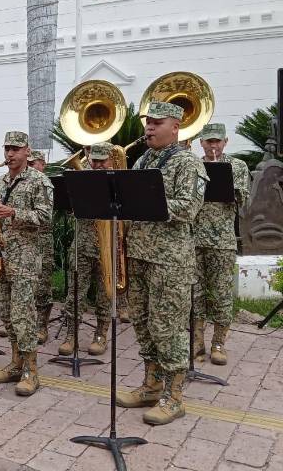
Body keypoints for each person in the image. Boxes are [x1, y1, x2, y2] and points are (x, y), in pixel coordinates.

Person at [115, 102, 208, 425]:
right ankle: (152, 385)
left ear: (176, 127)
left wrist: (148, 201)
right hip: (139, 255)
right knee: (142, 322)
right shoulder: (143, 160)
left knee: (167, 328)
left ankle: (175, 397)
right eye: (148, 123)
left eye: (157, 123)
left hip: (170, 261)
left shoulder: (188, 162)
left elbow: (189, 207)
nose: (149, 128)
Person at [0, 132, 53, 396]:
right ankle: (15, 362)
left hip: (25, 258)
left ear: (27, 151)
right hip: (1, 255)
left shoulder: (40, 181)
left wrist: (13, 212)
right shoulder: (0, 181)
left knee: (23, 315)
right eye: (7, 149)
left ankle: (31, 371)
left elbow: (46, 217)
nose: (10, 154)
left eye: (15, 149)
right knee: (6, 313)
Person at [193, 123, 251, 365]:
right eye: (208, 141)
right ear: (201, 143)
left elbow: (243, 199)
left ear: (225, 142)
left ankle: (218, 343)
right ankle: (196, 341)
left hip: (222, 241)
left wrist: (220, 176)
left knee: (221, 293)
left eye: (217, 141)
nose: (213, 145)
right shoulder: (193, 165)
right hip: (194, 239)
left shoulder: (237, 166)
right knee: (194, 292)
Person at [56, 143, 118, 357]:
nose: (98, 165)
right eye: (95, 160)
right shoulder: (82, 180)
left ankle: (101, 334)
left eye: (103, 161)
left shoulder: (120, 182)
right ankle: (71, 335)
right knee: (75, 292)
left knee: (104, 294)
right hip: (82, 245)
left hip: (108, 247)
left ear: (111, 160)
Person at [27, 150, 56, 344]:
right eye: (28, 163)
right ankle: (26, 323)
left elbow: (45, 215)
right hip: (23, 242)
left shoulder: (43, 182)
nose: (30, 166)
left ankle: (41, 325)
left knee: (43, 283)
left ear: (42, 164)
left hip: (42, 240)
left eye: (33, 163)